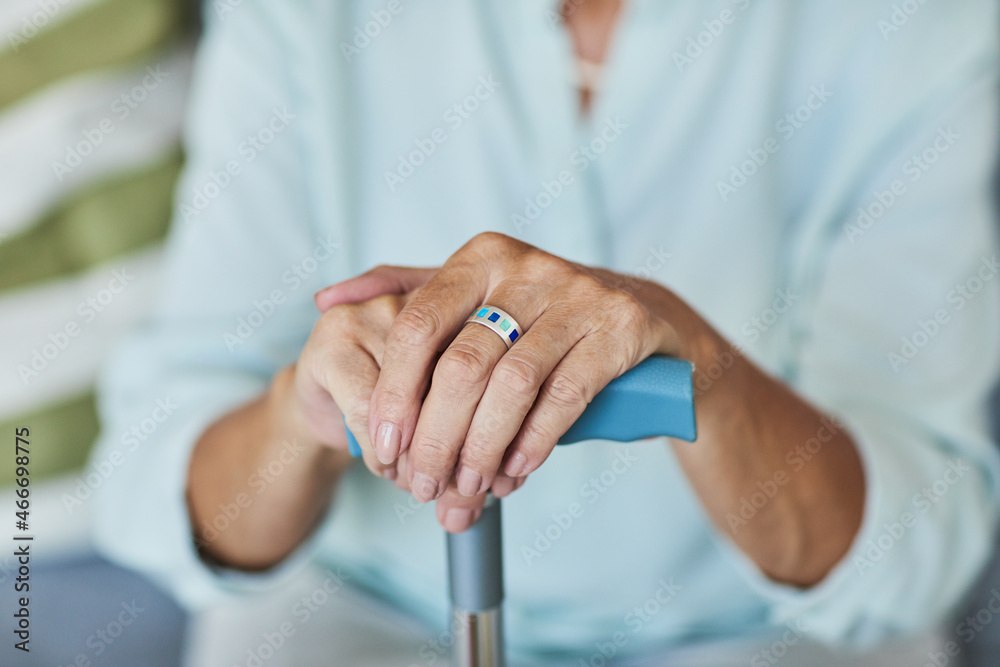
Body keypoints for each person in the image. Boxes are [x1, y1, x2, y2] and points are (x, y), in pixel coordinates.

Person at [90, 0, 1000, 664]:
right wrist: (308, 415)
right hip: (359, 624)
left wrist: (708, 377)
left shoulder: (916, 30)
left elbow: (915, 544)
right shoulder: (303, 17)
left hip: (763, 640)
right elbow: (152, 485)